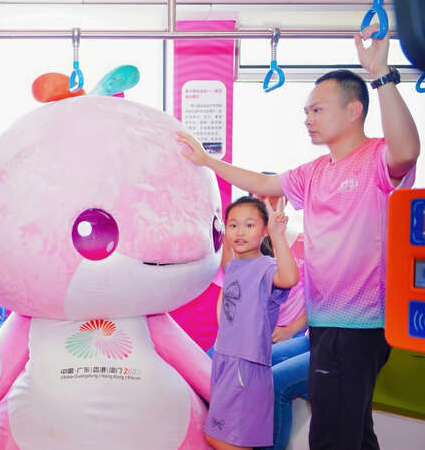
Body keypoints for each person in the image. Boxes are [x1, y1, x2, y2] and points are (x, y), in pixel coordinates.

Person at [177, 24, 420, 450]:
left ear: (353, 110)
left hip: (357, 324)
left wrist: (381, 75)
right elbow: (261, 182)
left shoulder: (377, 159)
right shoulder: (314, 171)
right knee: (353, 431)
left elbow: (407, 151)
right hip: (325, 323)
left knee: (333, 436)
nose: (308, 118)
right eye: (307, 111)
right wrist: (207, 160)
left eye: (317, 109)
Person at [205, 196, 299, 450]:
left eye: (249, 225)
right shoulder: (234, 266)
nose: (240, 232)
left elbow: (289, 278)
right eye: (233, 225)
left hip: (245, 365)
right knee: (216, 435)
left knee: (231, 440)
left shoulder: (267, 267)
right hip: (225, 359)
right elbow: (226, 262)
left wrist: (277, 235)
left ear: (264, 230)